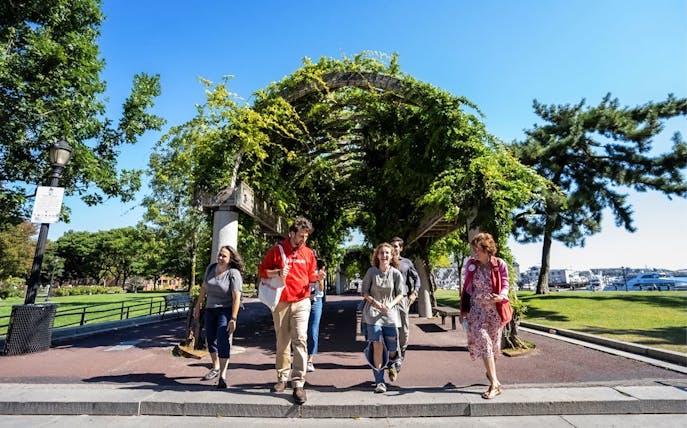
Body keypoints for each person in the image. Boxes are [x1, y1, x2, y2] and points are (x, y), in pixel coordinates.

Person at [258, 216, 324, 404]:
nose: (304, 240)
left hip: (302, 301)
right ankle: (282, 378)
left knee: (300, 339)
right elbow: (262, 271)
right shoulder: (277, 250)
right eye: (301, 236)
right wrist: (277, 272)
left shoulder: (309, 253)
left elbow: (311, 276)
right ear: (292, 233)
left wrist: (318, 276)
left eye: (306, 236)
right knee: (282, 341)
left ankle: (298, 383)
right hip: (281, 302)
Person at [458, 232, 510, 399]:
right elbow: (467, 287)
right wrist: (464, 311)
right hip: (476, 310)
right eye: (474, 249)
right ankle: (494, 384)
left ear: (487, 250)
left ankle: (492, 376)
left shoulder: (499, 264)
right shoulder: (472, 265)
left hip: (495, 310)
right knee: (484, 341)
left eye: (477, 250)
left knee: (494, 348)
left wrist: (501, 296)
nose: (475, 253)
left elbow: (505, 283)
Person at [193, 245, 243, 389]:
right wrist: (198, 305)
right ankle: (215, 366)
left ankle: (223, 375)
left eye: (224, 256)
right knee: (210, 340)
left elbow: (236, 297)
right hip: (210, 309)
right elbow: (204, 288)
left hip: (225, 310)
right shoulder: (211, 268)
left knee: (222, 339)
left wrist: (233, 318)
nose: (221, 258)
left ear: (230, 259)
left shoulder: (233, 273)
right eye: (220, 255)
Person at [361, 243, 404, 393]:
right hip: (373, 314)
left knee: (392, 347)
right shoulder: (371, 272)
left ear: (392, 256)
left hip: (390, 314)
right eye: (381, 253)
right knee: (377, 345)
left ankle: (393, 362)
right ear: (377, 256)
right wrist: (375, 302)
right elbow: (364, 292)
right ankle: (380, 381)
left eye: (387, 253)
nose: (384, 256)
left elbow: (400, 294)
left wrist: (390, 304)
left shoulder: (395, 274)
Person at [389, 237, 420, 363]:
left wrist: (415, 293)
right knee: (389, 327)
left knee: (404, 329)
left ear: (401, 248)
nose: (394, 249)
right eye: (392, 246)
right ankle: (392, 356)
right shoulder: (386, 262)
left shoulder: (407, 262)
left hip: (403, 299)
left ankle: (401, 352)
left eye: (396, 246)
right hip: (388, 299)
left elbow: (417, 279)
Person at [307, 258, 326, 372]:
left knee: (313, 331)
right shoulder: (303, 268)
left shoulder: (321, 271)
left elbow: (321, 288)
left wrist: (319, 278)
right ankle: (300, 358)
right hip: (302, 300)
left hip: (316, 301)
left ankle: (310, 360)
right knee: (300, 331)